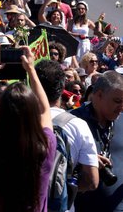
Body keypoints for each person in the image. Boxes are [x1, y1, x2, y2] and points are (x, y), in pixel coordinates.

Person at [0, 45, 56, 211]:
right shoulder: (46, 145)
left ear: (0, 114)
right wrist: (31, 70)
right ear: (33, 113)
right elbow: (45, 110)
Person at [34, 60, 99, 200]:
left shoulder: (17, 119)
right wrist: (63, 191)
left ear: (32, 84)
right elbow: (92, 181)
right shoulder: (79, 125)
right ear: (63, 86)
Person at [70, 71, 123, 212]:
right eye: (117, 101)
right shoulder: (71, 122)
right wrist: (85, 164)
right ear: (98, 95)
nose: (121, 107)